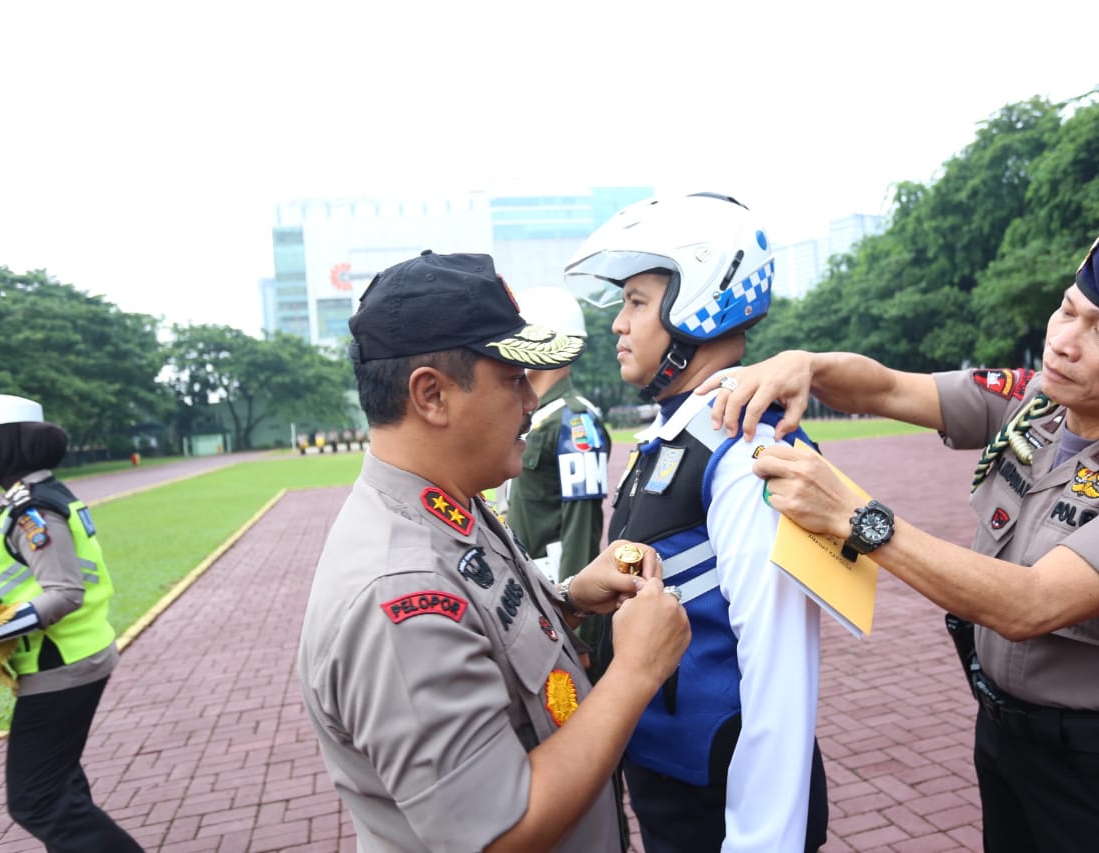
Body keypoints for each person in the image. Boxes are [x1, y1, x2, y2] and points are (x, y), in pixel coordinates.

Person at [705, 205, 1099, 852]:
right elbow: (890, 389)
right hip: (1004, 742)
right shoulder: (1040, 401)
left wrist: (855, 516)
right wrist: (805, 361)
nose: (1064, 341)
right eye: (1068, 309)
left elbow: (1033, 602)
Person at [295, 250, 690, 853]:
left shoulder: (445, 500)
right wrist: (637, 671)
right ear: (431, 396)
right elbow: (500, 832)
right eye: (512, 380)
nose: (531, 402)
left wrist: (570, 600)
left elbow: (492, 630)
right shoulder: (399, 592)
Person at [564, 192, 829, 853]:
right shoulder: (679, 436)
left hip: (722, 797)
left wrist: (762, 841)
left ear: (699, 297)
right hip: (671, 774)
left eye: (636, 302)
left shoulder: (745, 453)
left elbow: (778, 672)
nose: (619, 325)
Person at [0, 394, 142, 852]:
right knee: (59, 785)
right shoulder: (38, 496)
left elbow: (65, 592)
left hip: (63, 664)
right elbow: (40, 581)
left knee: (37, 800)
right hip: (72, 657)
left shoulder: (33, 510)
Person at [504, 286, 611, 589]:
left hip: (555, 590)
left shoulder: (574, 420)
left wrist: (576, 613)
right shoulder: (538, 417)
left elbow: (581, 533)